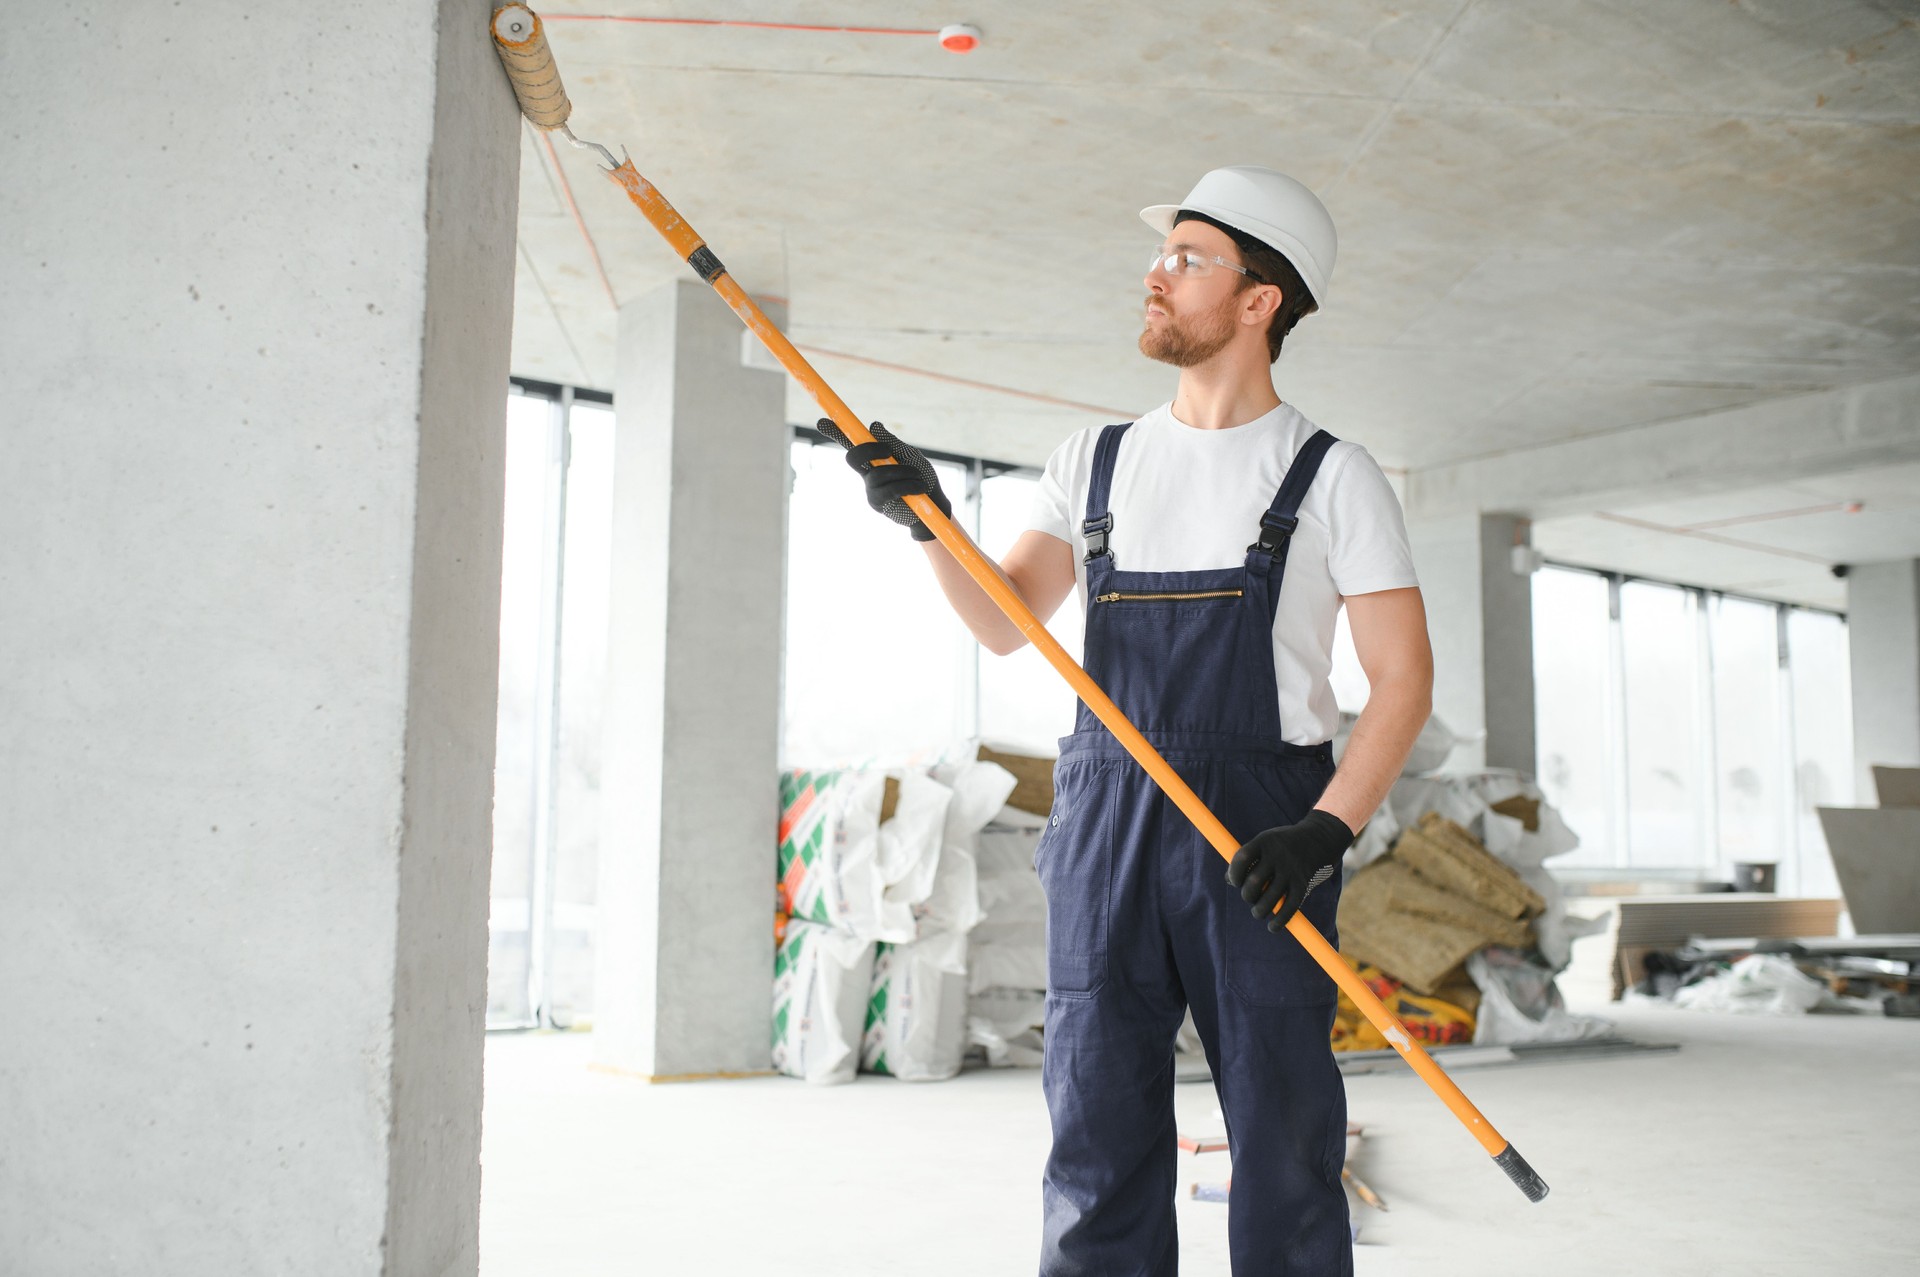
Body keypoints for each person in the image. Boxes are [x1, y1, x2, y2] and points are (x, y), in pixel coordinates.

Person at [820, 165, 1433, 1276]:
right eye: (1164, 254)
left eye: (1190, 258)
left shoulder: (1333, 476)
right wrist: (928, 520)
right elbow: (1006, 623)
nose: (1158, 272)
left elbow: (1402, 681)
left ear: (1260, 301)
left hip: (1264, 828)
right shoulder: (1093, 460)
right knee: (1096, 1129)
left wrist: (1325, 830)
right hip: (1107, 821)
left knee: (1287, 1136)